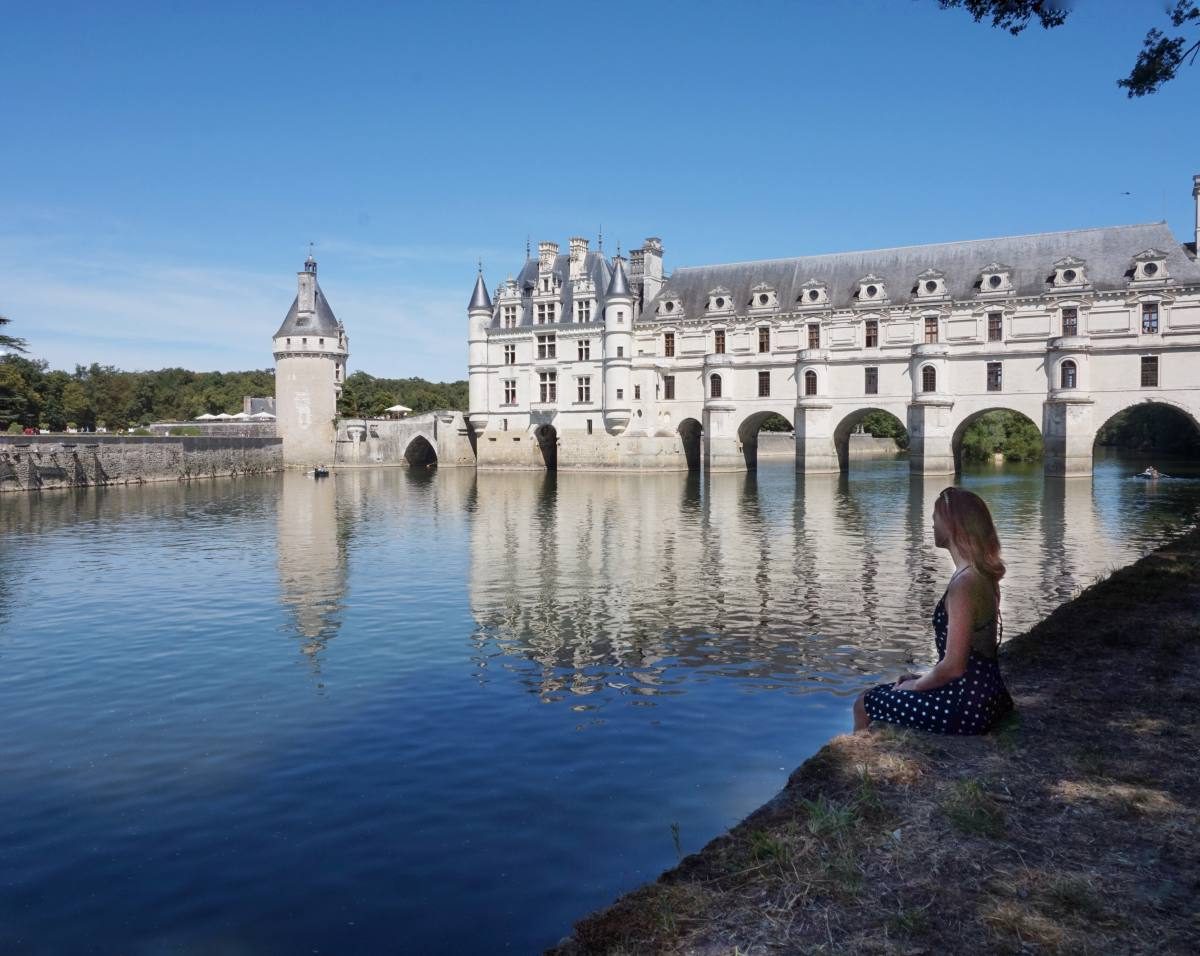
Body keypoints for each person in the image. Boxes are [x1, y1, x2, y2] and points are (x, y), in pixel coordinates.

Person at [853, 487, 1013, 735]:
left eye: (935, 518)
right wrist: (921, 677)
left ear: (952, 524)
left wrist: (915, 686)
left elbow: (954, 667)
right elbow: (970, 658)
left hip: (967, 706)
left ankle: (858, 763)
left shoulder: (964, 584)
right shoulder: (982, 574)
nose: (931, 525)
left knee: (865, 702)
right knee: (893, 687)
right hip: (990, 696)